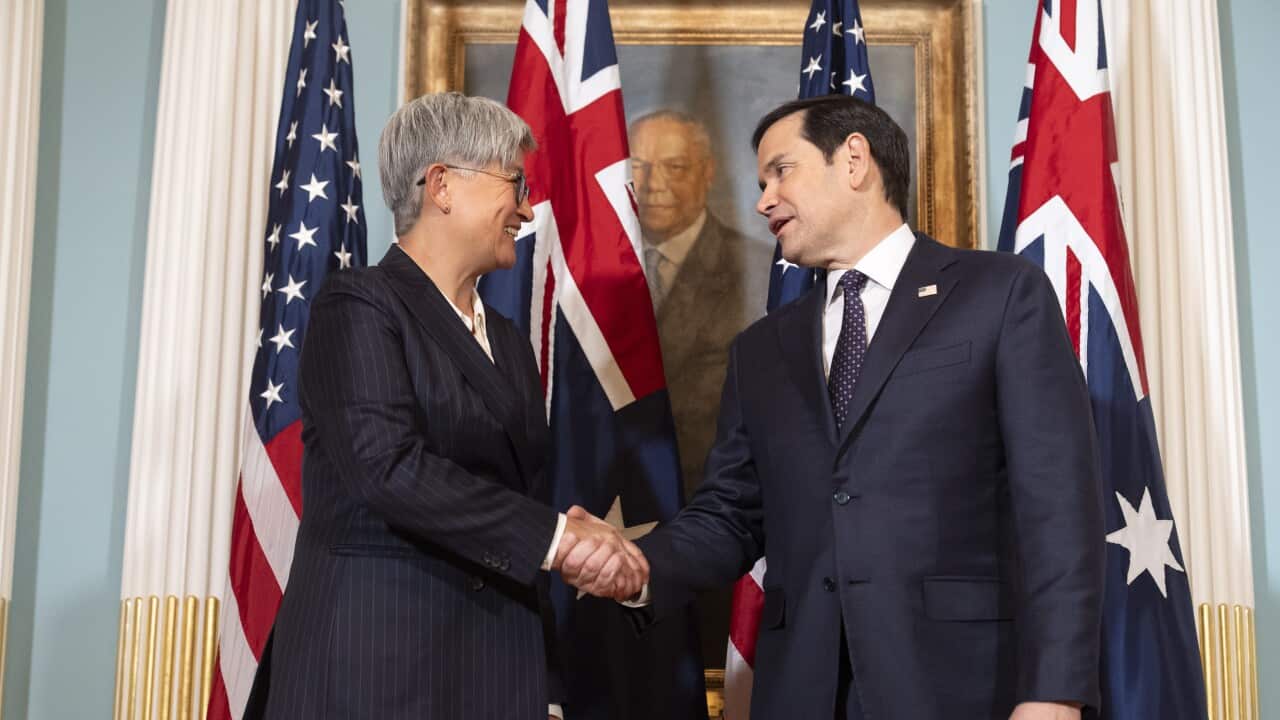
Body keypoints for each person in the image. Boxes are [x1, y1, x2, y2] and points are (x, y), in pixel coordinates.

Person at [577, 95, 1106, 718]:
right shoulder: (762, 349)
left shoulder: (999, 294)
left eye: (780, 171)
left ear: (854, 160)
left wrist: (1055, 692)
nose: (763, 200)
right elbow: (731, 516)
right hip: (803, 688)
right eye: (760, 182)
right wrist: (638, 566)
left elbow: (1057, 505)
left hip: (962, 685)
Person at [245, 92, 646, 720]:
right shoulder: (359, 306)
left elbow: (515, 502)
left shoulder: (510, 342)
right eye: (514, 183)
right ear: (441, 185)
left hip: (493, 670)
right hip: (377, 669)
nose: (526, 206)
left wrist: (543, 683)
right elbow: (389, 469)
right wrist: (561, 539)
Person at [629, 109, 773, 666]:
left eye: (675, 166)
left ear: (709, 172)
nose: (654, 184)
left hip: (721, 538)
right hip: (613, 524)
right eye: (639, 167)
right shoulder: (583, 278)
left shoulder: (761, 269)